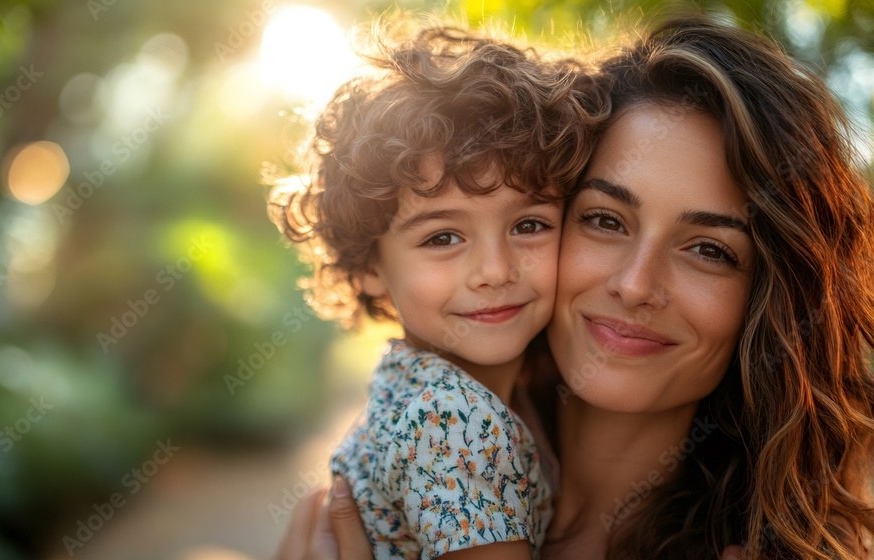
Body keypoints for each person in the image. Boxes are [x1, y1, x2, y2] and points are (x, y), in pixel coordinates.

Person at [275, 13, 874, 560]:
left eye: (710, 251)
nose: (638, 285)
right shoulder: (443, 444)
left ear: (768, 295)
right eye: (606, 221)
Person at [267, 24, 604, 559]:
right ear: (369, 265)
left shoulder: (454, 391)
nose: (494, 270)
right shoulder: (450, 420)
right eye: (443, 237)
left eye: (529, 225)